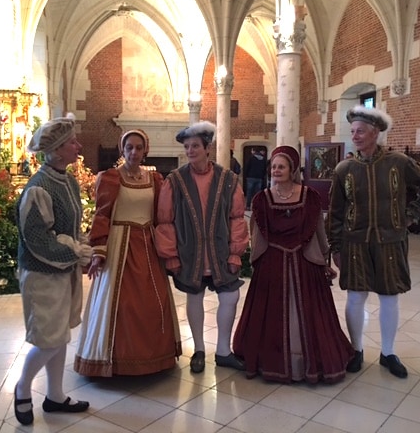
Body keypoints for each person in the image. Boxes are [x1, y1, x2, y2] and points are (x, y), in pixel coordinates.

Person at [328, 105, 420, 379]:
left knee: (389, 297)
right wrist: (336, 246)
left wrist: (409, 216)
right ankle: (356, 349)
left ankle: (388, 352)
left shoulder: (398, 162)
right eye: (353, 131)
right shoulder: (344, 168)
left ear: (375, 133)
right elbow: (335, 212)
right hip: (355, 243)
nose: (355, 136)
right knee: (355, 297)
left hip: (391, 241)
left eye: (361, 131)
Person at [232, 146, 354, 384]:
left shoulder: (309, 197)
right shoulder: (262, 199)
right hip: (272, 263)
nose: (277, 170)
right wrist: (257, 261)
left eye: (282, 166)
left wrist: (323, 259)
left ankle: (309, 363)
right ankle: (273, 361)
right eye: (274, 166)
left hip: (304, 260)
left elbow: (318, 230)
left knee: (311, 314)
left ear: (292, 169)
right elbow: (256, 233)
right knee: (269, 313)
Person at [74, 129, 182, 376]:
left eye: (139, 147)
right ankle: (112, 360)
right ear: (122, 150)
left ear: (146, 151)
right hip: (120, 247)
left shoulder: (155, 180)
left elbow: (161, 216)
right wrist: (99, 250)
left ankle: (154, 358)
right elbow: (102, 215)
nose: (134, 152)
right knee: (122, 305)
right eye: (129, 147)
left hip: (147, 246)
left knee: (153, 302)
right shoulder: (110, 178)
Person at [13, 117, 92, 425]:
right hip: (42, 273)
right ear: (57, 150)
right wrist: (75, 251)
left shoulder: (68, 180)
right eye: (72, 142)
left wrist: (80, 249)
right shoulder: (38, 187)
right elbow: (36, 240)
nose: (78, 146)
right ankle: (22, 388)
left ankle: (55, 396)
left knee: (60, 334)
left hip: (64, 271)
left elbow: (70, 226)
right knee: (50, 339)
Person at [155, 121, 249, 373]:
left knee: (230, 295)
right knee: (194, 297)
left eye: (195, 145)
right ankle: (198, 349)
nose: (190, 150)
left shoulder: (228, 179)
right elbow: (165, 220)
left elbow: (237, 218)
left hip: (221, 252)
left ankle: (223, 350)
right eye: (187, 146)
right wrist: (171, 255)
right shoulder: (175, 180)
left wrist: (235, 252)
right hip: (190, 252)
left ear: (208, 148)